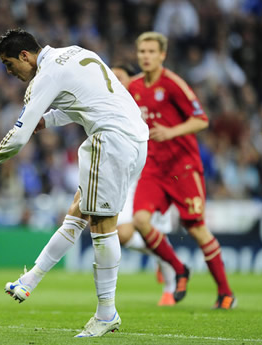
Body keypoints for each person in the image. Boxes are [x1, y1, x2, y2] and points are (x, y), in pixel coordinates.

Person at [0, 28, 149, 337]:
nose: (9, 71)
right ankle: (29, 282)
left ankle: (106, 313)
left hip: (110, 140)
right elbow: (87, 101)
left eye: (8, 63)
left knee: (102, 226)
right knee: (78, 212)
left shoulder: (45, 76)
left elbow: (19, 137)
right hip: (135, 136)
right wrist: (50, 119)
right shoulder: (77, 52)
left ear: (25, 55)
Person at [128, 31, 236, 309]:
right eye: (142, 52)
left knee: (197, 230)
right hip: (153, 167)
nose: (146, 57)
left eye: (152, 52)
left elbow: (201, 120)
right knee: (140, 220)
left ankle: (225, 292)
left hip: (183, 169)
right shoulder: (134, 87)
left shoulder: (173, 84)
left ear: (162, 55)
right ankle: (179, 268)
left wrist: (172, 131)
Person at [112, 64, 177, 306]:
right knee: (123, 233)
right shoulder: (110, 103)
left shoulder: (149, 104)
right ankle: (163, 255)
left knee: (150, 230)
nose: (114, 81)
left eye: (119, 76)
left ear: (133, 80)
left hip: (154, 176)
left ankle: (170, 290)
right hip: (127, 178)